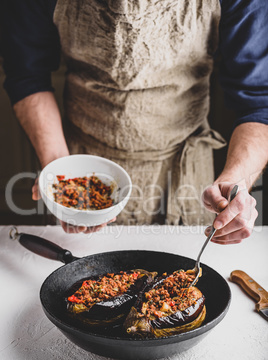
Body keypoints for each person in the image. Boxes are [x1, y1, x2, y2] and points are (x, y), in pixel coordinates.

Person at [1, 0, 267, 244]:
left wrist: (236, 181)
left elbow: (258, 100)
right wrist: (58, 166)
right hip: (79, 161)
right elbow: (28, 74)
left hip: (185, 169)